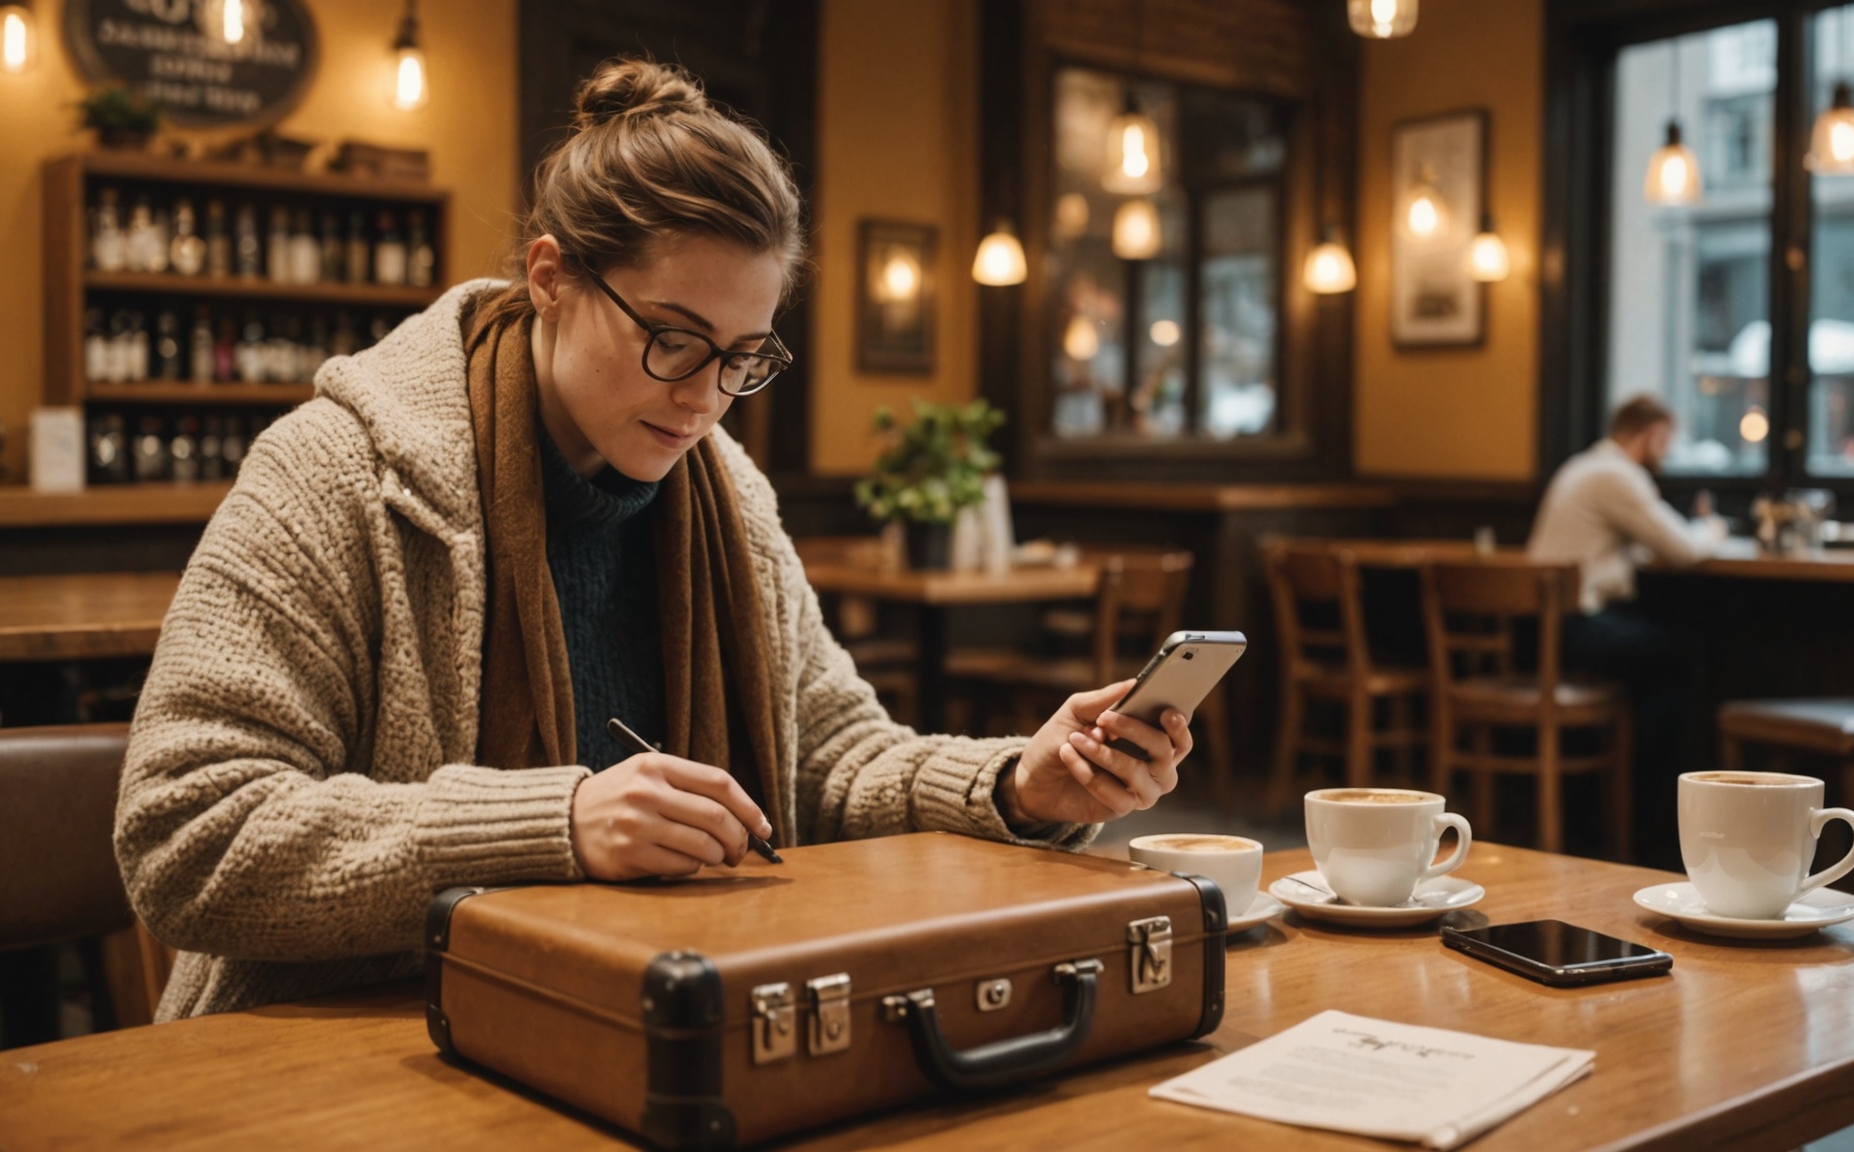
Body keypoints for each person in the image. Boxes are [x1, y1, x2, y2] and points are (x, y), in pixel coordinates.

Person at [114, 59, 1192, 1021]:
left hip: (646, 1017)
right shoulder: (338, 473)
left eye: (744, 356)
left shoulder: (729, 494)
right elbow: (187, 832)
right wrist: (558, 823)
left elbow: (833, 766)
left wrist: (1019, 787)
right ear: (552, 278)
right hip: (350, 1050)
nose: (706, 399)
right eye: (672, 340)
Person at [1527, 394, 1717, 863]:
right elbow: (1684, 550)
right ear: (1652, 433)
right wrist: (1713, 528)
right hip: (1575, 628)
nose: (1666, 452)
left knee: (1667, 657)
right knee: (1686, 658)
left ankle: (1635, 818)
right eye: (1665, 440)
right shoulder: (1617, 475)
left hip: (1541, 629)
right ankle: (1654, 824)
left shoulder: (1582, 467)